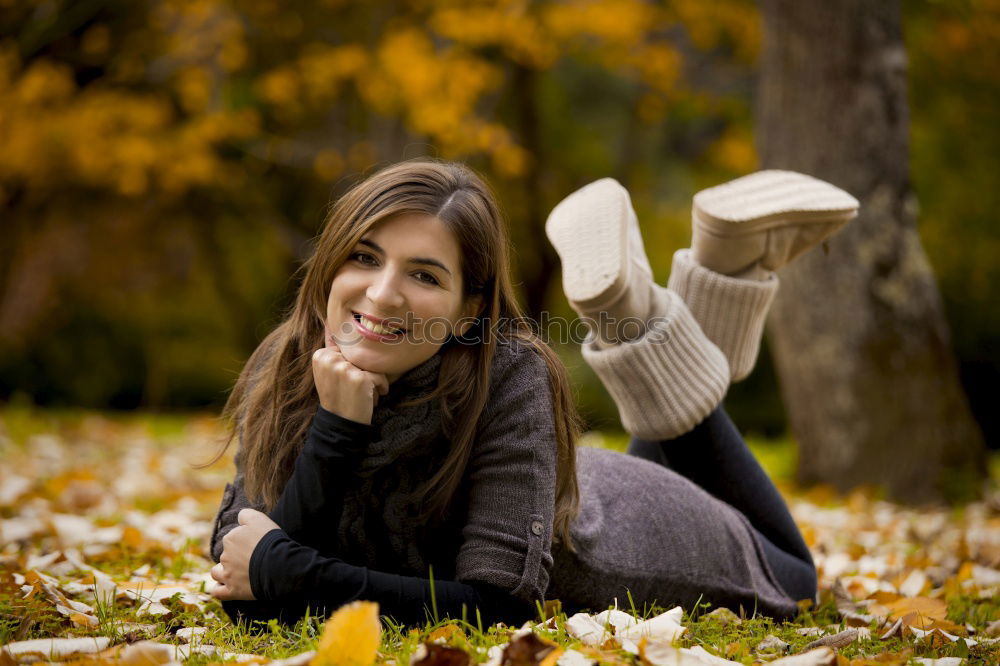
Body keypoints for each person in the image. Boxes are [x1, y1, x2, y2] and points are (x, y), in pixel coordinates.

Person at [207, 160, 859, 628]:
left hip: (649, 531)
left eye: (425, 274)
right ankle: (705, 273)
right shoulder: (289, 362)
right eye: (364, 257)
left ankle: (700, 278)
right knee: (665, 408)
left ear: (468, 312)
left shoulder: (510, 376)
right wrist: (335, 428)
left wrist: (288, 574)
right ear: (328, 269)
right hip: (573, 489)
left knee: (796, 580)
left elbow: (497, 606)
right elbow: (244, 579)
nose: (381, 293)